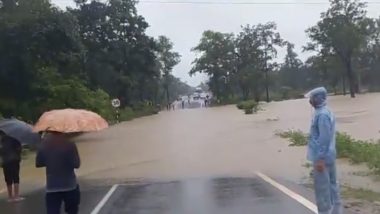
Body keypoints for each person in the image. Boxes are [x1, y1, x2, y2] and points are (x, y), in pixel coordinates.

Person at [306, 87, 342, 214]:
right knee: (332, 185)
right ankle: (336, 211)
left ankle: (325, 212)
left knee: (322, 188)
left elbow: (324, 138)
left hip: (322, 157)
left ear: (317, 98)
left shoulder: (321, 115)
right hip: (329, 155)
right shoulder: (325, 111)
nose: (310, 101)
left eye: (311, 98)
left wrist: (320, 158)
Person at [36, 132, 81, 214]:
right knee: (72, 211)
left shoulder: (44, 144)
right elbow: (77, 164)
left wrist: (50, 160)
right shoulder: (69, 144)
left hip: (52, 187)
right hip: (69, 186)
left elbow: (38, 163)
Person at [0, 131, 23, 202]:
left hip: (6, 162)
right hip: (14, 160)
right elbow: (19, 149)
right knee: (16, 177)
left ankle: (10, 197)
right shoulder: (14, 139)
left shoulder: (1, 142)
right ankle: (16, 196)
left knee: (8, 179)